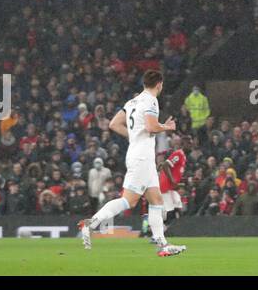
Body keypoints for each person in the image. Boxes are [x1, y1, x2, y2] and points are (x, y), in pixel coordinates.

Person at [79, 71, 186, 257]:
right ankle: (90, 223)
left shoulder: (132, 102)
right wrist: (167, 127)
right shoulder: (151, 101)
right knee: (129, 200)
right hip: (142, 157)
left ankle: (162, 245)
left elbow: (113, 124)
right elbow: (152, 127)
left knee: (156, 200)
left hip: (139, 155)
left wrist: (135, 136)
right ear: (159, 84)